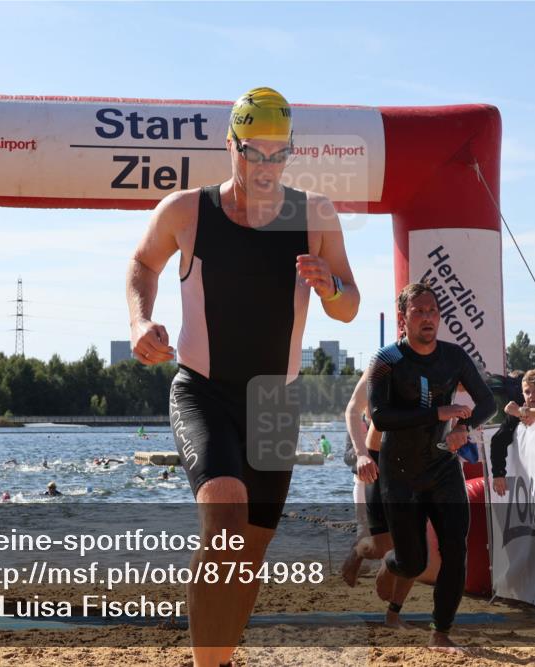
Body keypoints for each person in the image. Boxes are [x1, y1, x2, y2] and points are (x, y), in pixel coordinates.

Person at [126, 86, 359, 667]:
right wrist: (139, 321)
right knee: (225, 512)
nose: (265, 167)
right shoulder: (187, 210)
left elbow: (350, 304)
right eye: (254, 152)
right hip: (203, 389)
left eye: (278, 155)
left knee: (248, 552)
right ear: (230, 144)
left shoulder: (315, 215)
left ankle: (219, 656)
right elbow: (141, 263)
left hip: (276, 402)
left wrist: (330, 285)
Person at [367, 283, 496, 653]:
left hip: (441, 466)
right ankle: (392, 564)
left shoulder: (454, 357)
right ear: (403, 319)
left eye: (433, 311)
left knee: (456, 548)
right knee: (413, 562)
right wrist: (437, 413)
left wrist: (463, 429)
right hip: (400, 470)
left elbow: (487, 402)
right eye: (419, 312)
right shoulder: (386, 360)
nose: (428, 318)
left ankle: (441, 632)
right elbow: (380, 417)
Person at [339, 368, 440, 630]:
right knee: (381, 547)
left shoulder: (440, 364)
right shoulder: (381, 366)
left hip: (419, 465)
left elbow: (473, 387)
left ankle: (393, 614)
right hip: (380, 462)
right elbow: (352, 409)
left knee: (417, 551)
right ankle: (360, 550)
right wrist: (360, 453)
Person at [490, 370, 535, 496]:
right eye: (527, 392)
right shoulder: (515, 416)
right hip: (533, 483)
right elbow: (498, 440)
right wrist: (498, 474)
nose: (531, 396)